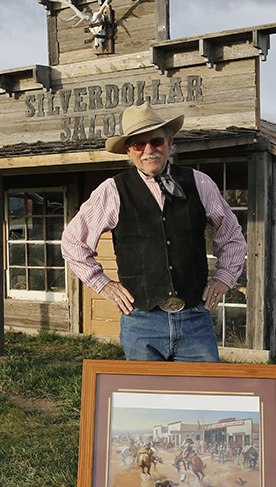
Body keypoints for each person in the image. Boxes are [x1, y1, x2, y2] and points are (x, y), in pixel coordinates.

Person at [61, 103, 247, 362]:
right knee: (145, 401)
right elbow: (72, 242)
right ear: (129, 151)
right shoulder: (112, 190)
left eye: (156, 141)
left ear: (169, 143)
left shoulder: (199, 183)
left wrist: (224, 277)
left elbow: (232, 235)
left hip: (195, 320)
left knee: (202, 398)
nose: (149, 151)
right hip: (141, 324)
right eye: (138, 145)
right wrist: (103, 285)